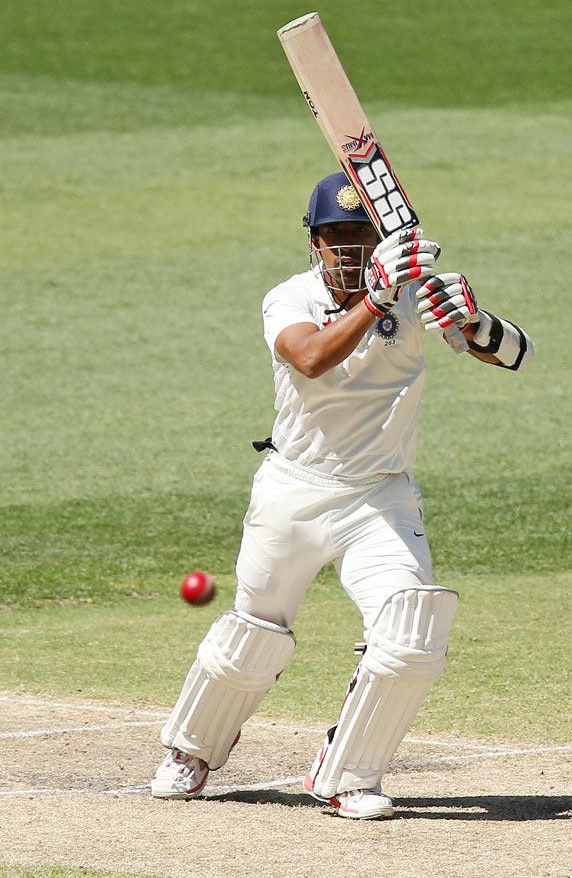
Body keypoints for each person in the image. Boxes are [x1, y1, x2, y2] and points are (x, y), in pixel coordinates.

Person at [150, 171, 534, 819]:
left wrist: (473, 319)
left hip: (378, 499)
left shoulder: (410, 296)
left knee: (411, 630)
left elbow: (516, 354)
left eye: (360, 232)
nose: (348, 247)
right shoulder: (288, 297)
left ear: (381, 238)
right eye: (335, 236)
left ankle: (347, 773)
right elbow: (310, 358)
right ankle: (190, 750)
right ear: (314, 242)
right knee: (254, 633)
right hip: (292, 493)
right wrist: (378, 301)